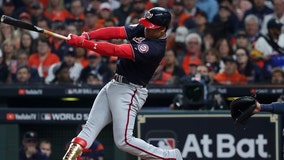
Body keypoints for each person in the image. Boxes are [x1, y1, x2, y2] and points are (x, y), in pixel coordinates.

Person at [63, 7, 183, 160]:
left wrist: (83, 44)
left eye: (151, 27)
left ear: (162, 29)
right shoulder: (145, 29)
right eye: (146, 24)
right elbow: (117, 32)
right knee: (88, 130)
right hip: (114, 84)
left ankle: (168, 157)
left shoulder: (154, 48)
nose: (146, 28)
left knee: (124, 141)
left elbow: (116, 50)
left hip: (130, 91)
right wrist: (88, 35)